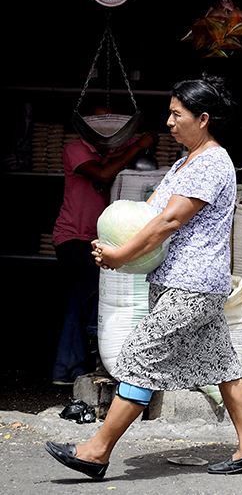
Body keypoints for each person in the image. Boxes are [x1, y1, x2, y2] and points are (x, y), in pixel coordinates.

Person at [45, 74, 242, 479]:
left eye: (176, 114)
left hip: (192, 285)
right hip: (185, 283)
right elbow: (148, 212)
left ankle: (96, 451)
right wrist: (112, 240)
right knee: (223, 363)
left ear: (202, 119)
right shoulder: (186, 162)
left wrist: (121, 255)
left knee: (139, 356)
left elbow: (168, 221)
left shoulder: (211, 162)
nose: (169, 122)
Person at [51, 124, 155, 385]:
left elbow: (111, 163)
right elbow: (103, 173)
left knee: (79, 301)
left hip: (93, 239)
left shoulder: (107, 152)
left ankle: (66, 370)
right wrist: (138, 147)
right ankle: (102, 362)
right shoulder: (75, 149)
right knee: (97, 297)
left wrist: (128, 151)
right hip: (74, 239)